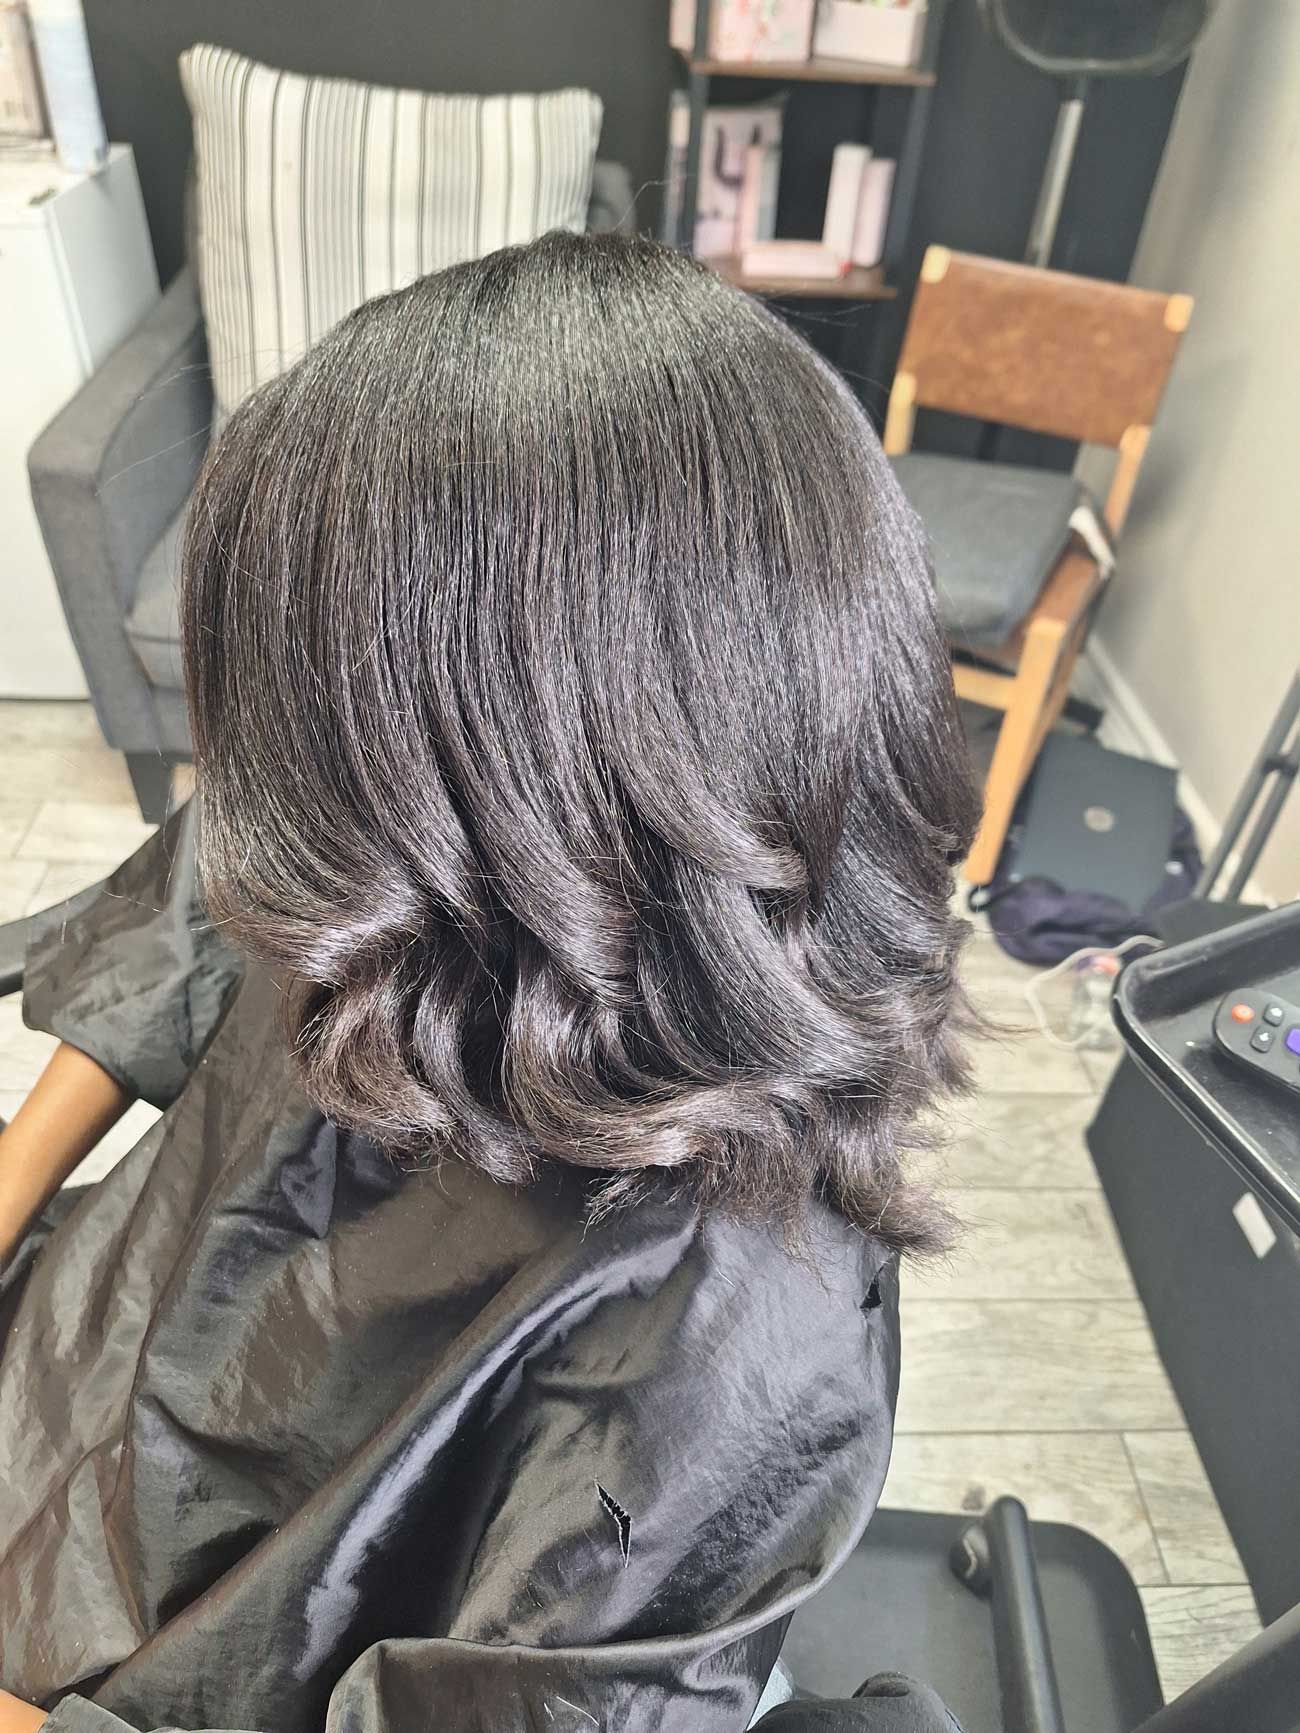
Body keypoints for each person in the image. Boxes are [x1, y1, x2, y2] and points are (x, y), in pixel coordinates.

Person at [0, 232, 975, 1733]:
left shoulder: (725, 1336)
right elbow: (179, 924)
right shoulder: (368, 844)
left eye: (306, 729)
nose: (256, 782)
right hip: (93, 1353)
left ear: (518, 786)